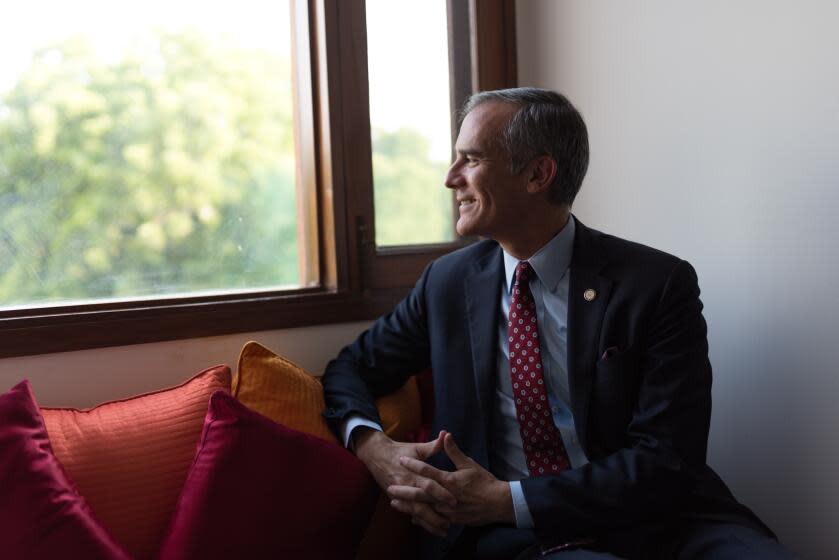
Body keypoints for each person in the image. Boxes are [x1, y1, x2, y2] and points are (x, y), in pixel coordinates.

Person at [321, 88, 794, 559]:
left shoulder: (657, 284)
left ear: (537, 175)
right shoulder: (447, 283)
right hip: (508, 536)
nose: (450, 178)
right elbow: (351, 368)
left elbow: (667, 458)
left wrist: (506, 498)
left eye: (470, 159)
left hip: (664, 518)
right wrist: (373, 448)